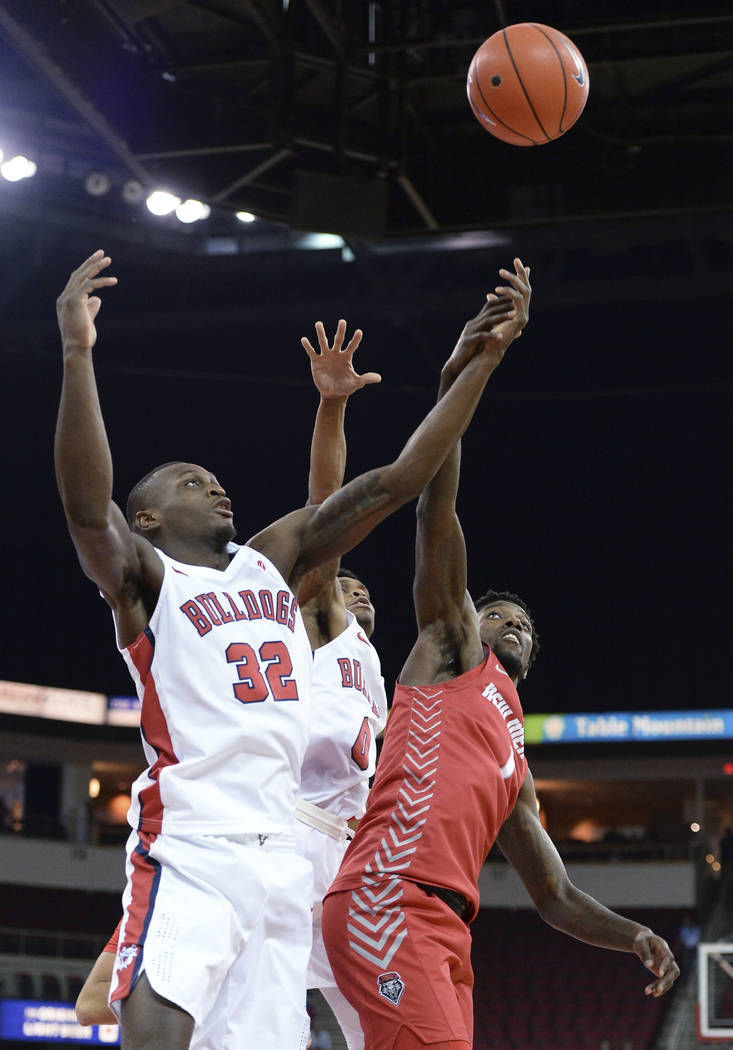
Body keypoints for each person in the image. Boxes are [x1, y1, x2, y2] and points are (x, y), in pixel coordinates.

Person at [55, 250, 521, 1050]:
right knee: (153, 1026)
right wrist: (76, 352)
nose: (213, 485)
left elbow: (399, 479)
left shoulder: (271, 562)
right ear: (151, 520)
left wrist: (470, 368)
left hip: (282, 861)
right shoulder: (145, 579)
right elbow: (84, 505)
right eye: (188, 481)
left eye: (211, 477)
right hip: (195, 837)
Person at [322, 260, 680, 1050]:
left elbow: (552, 894)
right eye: (495, 612)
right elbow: (434, 510)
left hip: (449, 933)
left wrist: (630, 935)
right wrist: (467, 369)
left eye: (520, 621)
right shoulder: (449, 651)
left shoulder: (512, 760)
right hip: (388, 897)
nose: (508, 622)